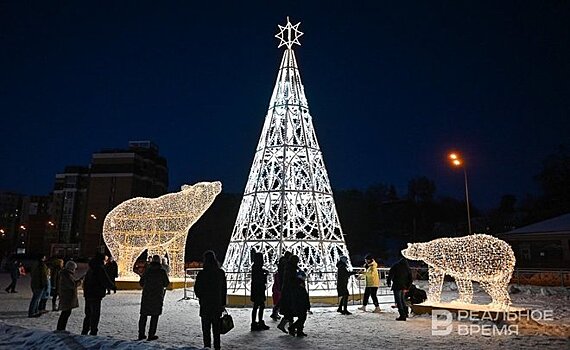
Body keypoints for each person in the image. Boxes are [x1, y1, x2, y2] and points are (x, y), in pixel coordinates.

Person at [194, 250, 227, 350]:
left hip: (205, 305)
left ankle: (207, 346)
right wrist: (222, 303)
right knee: (216, 329)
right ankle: (217, 347)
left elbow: (197, 289)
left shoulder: (202, 274)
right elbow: (223, 290)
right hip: (216, 305)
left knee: (206, 329)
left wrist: (201, 297)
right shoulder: (220, 273)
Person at [81, 253, 116, 336]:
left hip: (88, 294)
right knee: (95, 314)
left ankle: (85, 330)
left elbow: (86, 282)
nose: (105, 262)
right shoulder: (99, 268)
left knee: (88, 314)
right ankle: (93, 331)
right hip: (96, 294)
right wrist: (113, 287)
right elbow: (104, 280)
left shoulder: (91, 268)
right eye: (104, 260)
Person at [138, 255, 170, 341]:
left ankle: (141, 334)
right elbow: (166, 283)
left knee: (143, 315)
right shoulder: (162, 271)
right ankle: (151, 334)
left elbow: (141, 283)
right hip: (157, 296)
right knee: (154, 316)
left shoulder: (147, 271)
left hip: (147, 296)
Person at [56, 261, 83, 332]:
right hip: (67, 297)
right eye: (74, 268)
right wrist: (80, 281)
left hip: (67, 296)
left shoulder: (66, 274)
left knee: (66, 313)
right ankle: (61, 328)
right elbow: (72, 285)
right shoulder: (66, 275)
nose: (74, 270)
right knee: (65, 313)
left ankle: (61, 328)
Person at [277, 254, 299, 334]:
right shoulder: (290, 269)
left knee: (290, 312)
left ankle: (290, 327)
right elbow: (291, 280)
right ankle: (286, 326)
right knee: (290, 311)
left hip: (287, 291)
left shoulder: (288, 268)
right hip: (289, 292)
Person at [250, 252, 270, 331]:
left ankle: (256, 323)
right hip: (258, 289)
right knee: (260, 306)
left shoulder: (255, 267)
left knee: (258, 306)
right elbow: (260, 278)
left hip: (256, 289)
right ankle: (257, 323)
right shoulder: (257, 268)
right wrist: (265, 274)